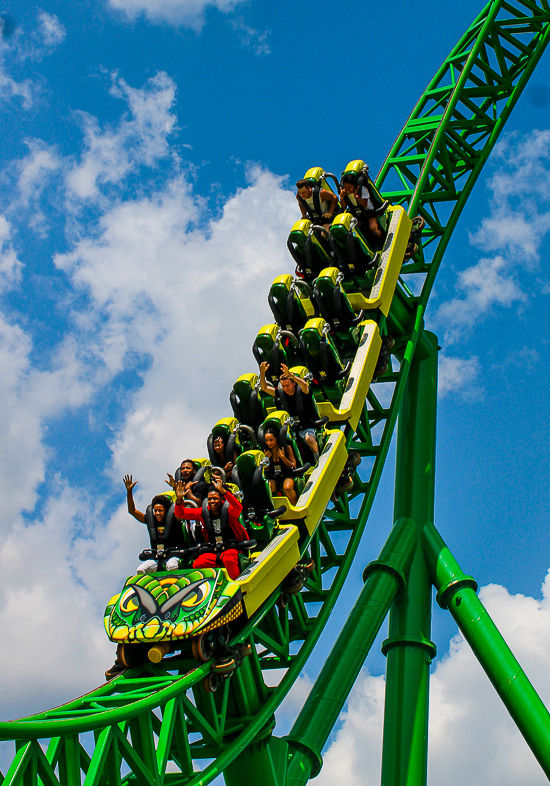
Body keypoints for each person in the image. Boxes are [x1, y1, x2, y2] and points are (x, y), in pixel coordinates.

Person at [174, 476, 249, 581]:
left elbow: (238, 507)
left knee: (229, 560)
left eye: (215, 498)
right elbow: (180, 513)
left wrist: (224, 491)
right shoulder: (203, 512)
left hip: (232, 548)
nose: (212, 501)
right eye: (210, 499)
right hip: (214, 550)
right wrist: (179, 499)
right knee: (198, 563)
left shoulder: (229, 510)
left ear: (221, 499)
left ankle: (237, 586)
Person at [123, 474, 186, 573]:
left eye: (160, 511)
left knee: (171, 566)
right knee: (141, 569)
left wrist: (177, 493)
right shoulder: (150, 520)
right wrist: (129, 491)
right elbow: (132, 511)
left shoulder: (175, 518)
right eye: (155, 511)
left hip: (174, 556)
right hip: (157, 557)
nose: (157, 513)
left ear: (166, 510)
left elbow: (179, 508)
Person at [259, 362, 320, 462]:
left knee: (309, 439)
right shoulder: (281, 393)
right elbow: (264, 388)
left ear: (294, 383)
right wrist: (262, 373)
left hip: (308, 425)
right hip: (293, 428)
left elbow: (304, 384)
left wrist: (291, 375)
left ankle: (317, 457)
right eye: (283, 386)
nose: (285, 389)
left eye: (287, 385)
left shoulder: (302, 391)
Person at [339, 173, 384, 245]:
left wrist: (357, 197)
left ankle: (382, 241)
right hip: (357, 213)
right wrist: (341, 198)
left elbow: (365, 204)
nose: (347, 189)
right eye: (345, 187)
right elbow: (344, 207)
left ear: (354, 186)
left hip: (369, 211)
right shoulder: (344, 193)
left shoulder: (362, 190)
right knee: (356, 228)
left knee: (373, 228)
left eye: (349, 187)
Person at [263, 426, 297, 505]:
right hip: (274, 476)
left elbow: (293, 466)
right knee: (267, 488)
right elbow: (266, 471)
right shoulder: (266, 452)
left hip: (287, 474)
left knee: (287, 487)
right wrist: (267, 459)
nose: (269, 443)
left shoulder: (287, 448)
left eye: (271, 440)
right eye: (266, 440)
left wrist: (283, 457)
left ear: (277, 438)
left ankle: (295, 506)